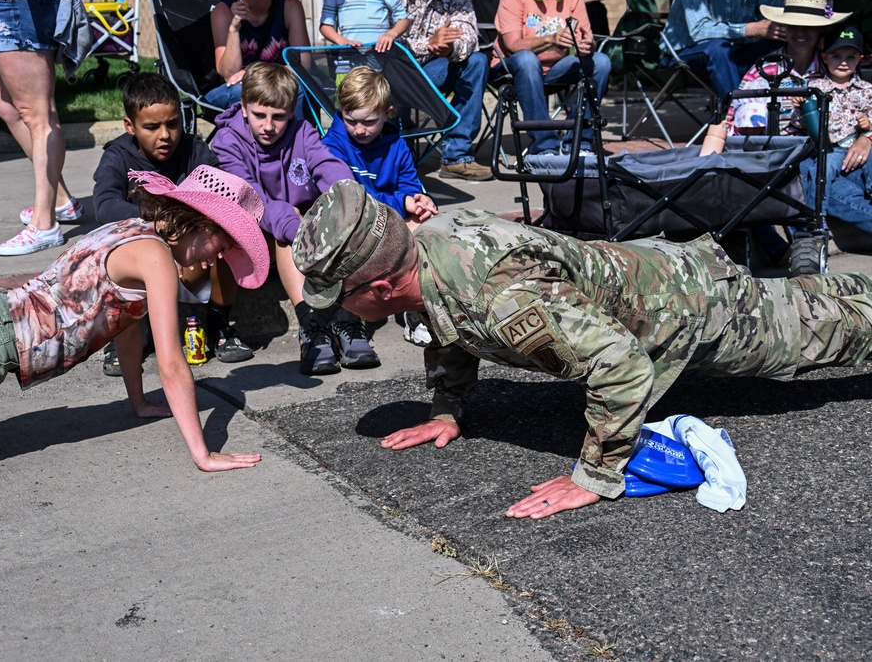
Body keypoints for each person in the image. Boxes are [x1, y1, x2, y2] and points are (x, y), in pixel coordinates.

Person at [292, 180, 872, 519]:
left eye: (337, 296)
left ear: (381, 286)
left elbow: (620, 367)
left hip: (691, 307)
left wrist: (593, 476)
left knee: (832, 333)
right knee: (812, 299)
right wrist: (448, 407)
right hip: (654, 275)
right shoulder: (425, 252)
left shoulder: (502, 298)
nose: (336, 309)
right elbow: (445, 324)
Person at [0, 165, 266, 473]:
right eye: (222, 244)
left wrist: (139, 401)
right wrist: (203, 453)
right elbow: (171, 361)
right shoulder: (157, 259)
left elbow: (125, 326)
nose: (217, 259)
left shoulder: (131, 230)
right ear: (200, 222)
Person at [212, 62, 381, 375]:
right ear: (244, 108)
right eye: (260, 115)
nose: (269, 126)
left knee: (341, 218)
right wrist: (299, 227)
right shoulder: (227, 142)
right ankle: (311, 325)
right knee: (286, 226)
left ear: (291, 112)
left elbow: (327, 164)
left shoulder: (302, 131)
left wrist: (348, 199)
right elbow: (251, 198)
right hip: (256, 228)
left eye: (279, 117)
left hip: (299, 223)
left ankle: (346, 320)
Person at [93, 73, 253, 370]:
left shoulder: (195, 151)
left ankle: (219, 324)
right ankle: (128, 333)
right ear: (130, 126)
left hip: (192, 263)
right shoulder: (118, 157)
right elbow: (104, 205)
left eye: (173, 124)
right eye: (151, 127)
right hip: (144, 266)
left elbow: (224, 195)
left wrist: (198, 232)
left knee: (229, 234)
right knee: (112, 246)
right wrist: (163, 228)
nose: (165, 135)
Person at [0, 0, 87, 257]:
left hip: (19, 5)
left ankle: (45, 225)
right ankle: (60, 200)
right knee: (3, 105)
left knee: (38, 114)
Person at [493, 0, 611, 156]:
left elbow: (585, 37)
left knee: (601, 62)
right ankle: (545, 146)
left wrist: (587, 46)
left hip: (555, 67)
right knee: (527, 60)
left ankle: (578, 142)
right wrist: (552, 38)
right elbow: (513, 46)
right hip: (512, 67)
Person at [323, 67, 439, 226]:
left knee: (424, 218)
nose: (359, 130)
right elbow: (349, 199)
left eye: (369, 122)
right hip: (349, 222)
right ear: (341, 111)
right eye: (350, 120)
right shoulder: (331, 146)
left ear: (387, 113)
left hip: (388, 214)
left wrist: (420, 200)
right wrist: (402, 202)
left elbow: (409, 187)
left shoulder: (397, 146)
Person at [400, 0, 493, 181]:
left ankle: (456, 156)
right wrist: (428, 43)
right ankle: (400, 153)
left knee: (477, 62)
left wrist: (450, 48)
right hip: (396, 67)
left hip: (432, 69)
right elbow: (384, 40)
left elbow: (469, 35)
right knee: (391, 74)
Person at [661, 0, 823, 100]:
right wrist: (752, 29)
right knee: (718, 49)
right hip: (684, 55)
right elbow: (699, 31)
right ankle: (736, 113)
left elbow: (774, 16)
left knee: (783, 40)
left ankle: (793, 104)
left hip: (735, 54)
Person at [729, 0, 849, 135]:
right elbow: (733, 120)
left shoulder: (835, 67)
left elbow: (859, 105)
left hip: (827, 146)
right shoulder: (763, 71)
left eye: (809, 25)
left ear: (820, 28)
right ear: (784, 26)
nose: (800, 32)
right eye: (793, 25)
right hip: (773, 151)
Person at [800, 27, 872, 240]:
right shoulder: (815, 87)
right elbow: (800, 122)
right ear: (824, 57)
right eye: (836, 56)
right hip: (829, 147)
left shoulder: (866, 89)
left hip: (855, 143)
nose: (843, 62)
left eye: (851, 57)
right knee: (824, 169)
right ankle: (817, 216)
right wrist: (800, 106)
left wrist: (868, 124)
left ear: (860, 59)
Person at [206, 0, 311, 113]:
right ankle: (240, 131)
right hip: (231, 89)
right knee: (239, 90)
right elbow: (229, 74)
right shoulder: (223, 11)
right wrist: (234, 29)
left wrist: (257, 74)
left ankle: (301, 131)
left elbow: (302, 63)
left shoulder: (290, 7)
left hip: (278, 82)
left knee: (303, 86)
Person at [319, 0, 410, 52]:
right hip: (348, 59)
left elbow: (403, 20)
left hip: (381, 58)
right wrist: (340, 40)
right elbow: (325, 25)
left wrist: (391, 34)